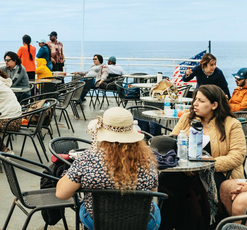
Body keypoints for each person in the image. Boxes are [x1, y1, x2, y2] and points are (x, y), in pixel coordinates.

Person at [55, 107, 160, 230]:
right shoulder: (147, 160)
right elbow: (153, 190)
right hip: (143, 223)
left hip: (98, 222)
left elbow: (61, 194)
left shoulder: (87, 159)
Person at [159, 84, 246, 230]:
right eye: (195, 99)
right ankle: (166, 225)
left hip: (218, 173)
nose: (195, 104)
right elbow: (172, 143)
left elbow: (237, 155)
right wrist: (185, 166)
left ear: (214, 105)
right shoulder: (187, 118)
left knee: (196, 186)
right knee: (167, 180)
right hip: (186, 170)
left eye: (200, 100)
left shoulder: (232, 124)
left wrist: (206, 165)